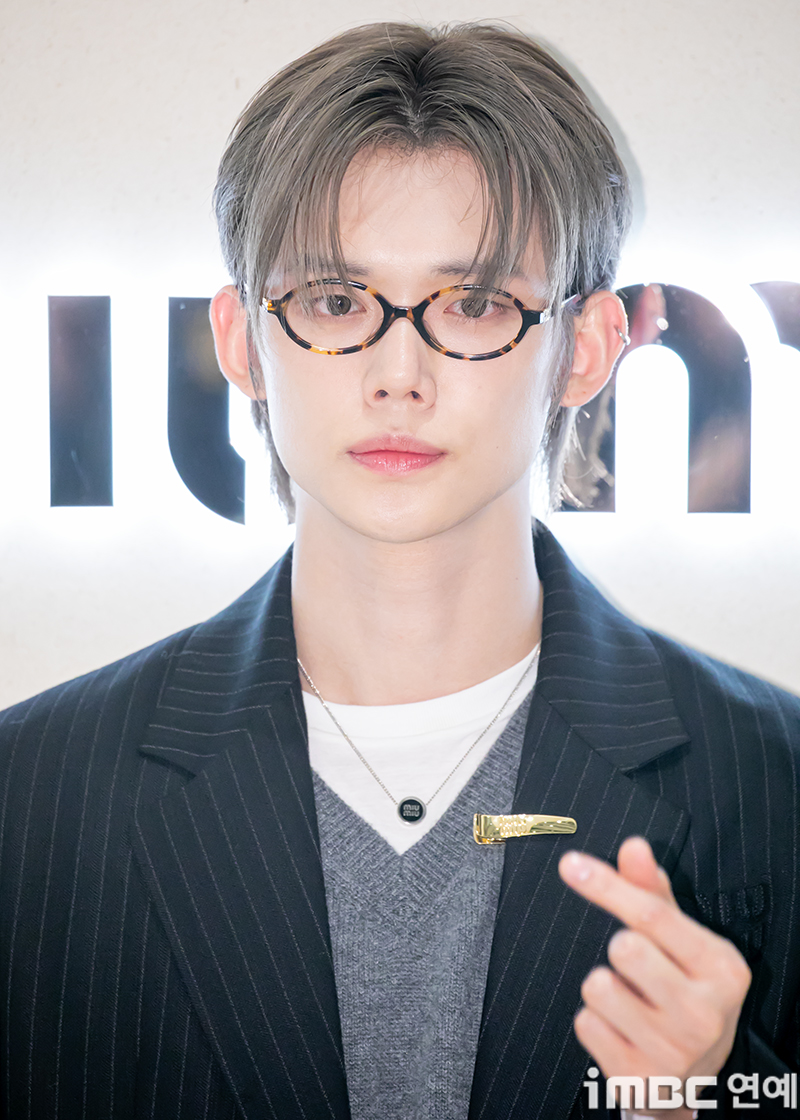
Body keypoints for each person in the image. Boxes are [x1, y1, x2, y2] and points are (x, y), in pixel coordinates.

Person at [0, 20, 797, 1120]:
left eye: (473, 305)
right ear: (240, 342)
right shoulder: (32, 796)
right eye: (335, 302)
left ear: (585, 347)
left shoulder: (774, 784)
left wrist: (710, 1098)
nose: (397, 375)